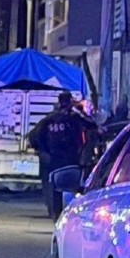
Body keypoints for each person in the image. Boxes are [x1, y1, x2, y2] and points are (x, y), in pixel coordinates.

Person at [27, 91, 96, 219]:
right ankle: (66, 213)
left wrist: (42, 152)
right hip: (69, 159)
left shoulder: (48, 120)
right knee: (72, 187)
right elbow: (92, 125)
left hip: (53, 161)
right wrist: (81, 110)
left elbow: (32, 137)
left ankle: (56, 213)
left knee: (54, 189)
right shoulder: (74, 118)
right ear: (70, 102)